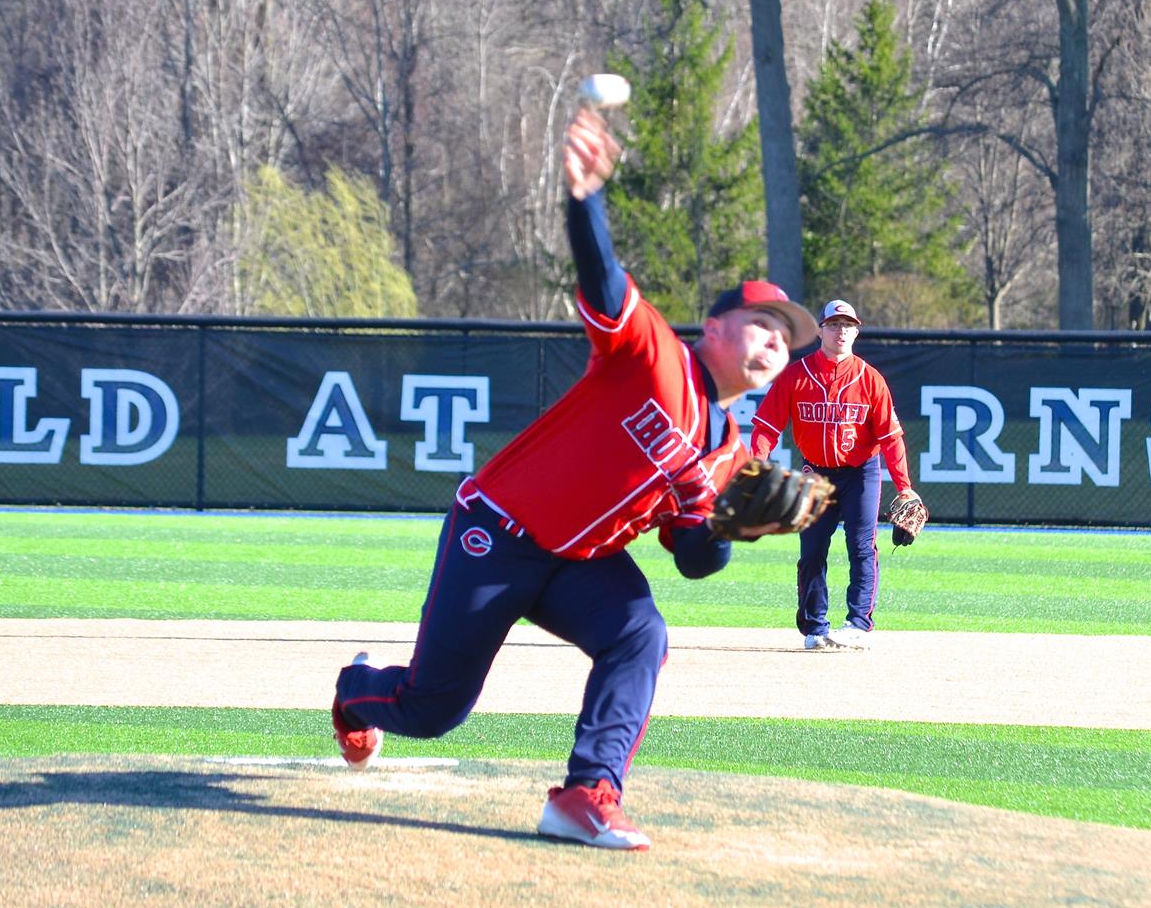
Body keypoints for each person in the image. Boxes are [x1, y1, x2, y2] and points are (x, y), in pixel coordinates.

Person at [330, 104, 817, 850]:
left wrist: (726, 529)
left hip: (577, 565)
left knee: (641, 635)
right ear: (713, 329)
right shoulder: (653, 354)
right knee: (433, 711)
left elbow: (692, 560)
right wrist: (585, 200)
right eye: (763, 325)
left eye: (786, 340)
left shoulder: (734, 448)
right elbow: (605, 280)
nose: (774, 345)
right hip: (499, 532)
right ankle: (356, 692)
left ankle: (588, 792)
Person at [748, 299, 920, 649]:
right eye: (834, 324)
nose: (841, 331)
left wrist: (905, 489)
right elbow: (766, 426)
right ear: (820, 330)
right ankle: (815, 628)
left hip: (861, 473)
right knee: (812, 551)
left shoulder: (870, 380)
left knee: (861, 548)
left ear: (857, 331)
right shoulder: (796, 375)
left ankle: (858, 623)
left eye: (848, 325)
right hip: (815, 473)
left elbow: (891, 439)